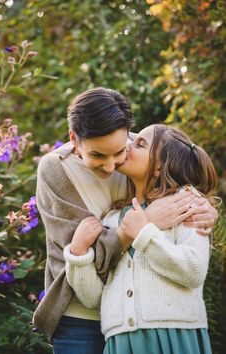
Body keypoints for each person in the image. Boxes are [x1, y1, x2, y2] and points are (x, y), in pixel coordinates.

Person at [32, 88, 217, 354]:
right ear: (74, 138)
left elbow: (178, 174)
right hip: (81, 315)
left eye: (119, 151)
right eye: (97, 155)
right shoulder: (56, 169)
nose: (111, 166)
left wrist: (204, 209)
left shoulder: (136, 150)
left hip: (153, 322)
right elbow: (84, 250)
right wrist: (140, 227)